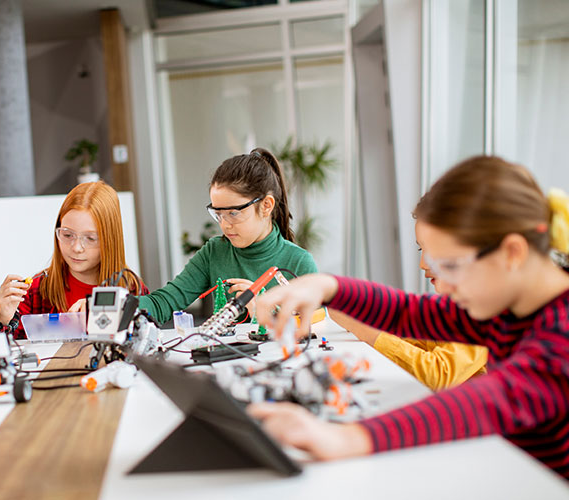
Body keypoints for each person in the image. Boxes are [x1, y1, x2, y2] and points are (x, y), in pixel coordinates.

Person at [250, 156, 569, 479]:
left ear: (512, 253)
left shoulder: (562, 335)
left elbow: (489, 401)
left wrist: (348, 437)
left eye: (452, 266)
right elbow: (410, 312)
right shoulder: (507, 307)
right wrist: (329, 286)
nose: (441, 280)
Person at [138, 148, 318, 325]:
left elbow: (317, 327)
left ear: (266, 206)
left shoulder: (299, 263)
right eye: (218, 214)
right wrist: (120, 308)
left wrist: (265, 313)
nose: (224, 225)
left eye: (233, 213)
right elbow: (164, 303)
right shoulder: (214, 252)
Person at [328, 219, 488, 391]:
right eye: (421, 249)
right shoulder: (453, 306)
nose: (423, 264)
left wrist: (367, 332)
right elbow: (421, 343)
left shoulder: (484, 309)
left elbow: (438, 374)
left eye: (433, 249)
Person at [0, 181, 147, 338]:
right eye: (67, 235)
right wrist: (4, 317)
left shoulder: (132, 289)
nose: (76, 247)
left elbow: (145, 344)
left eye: (90, 238)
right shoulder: (36, 291)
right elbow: (5, 352)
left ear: (111, 240)